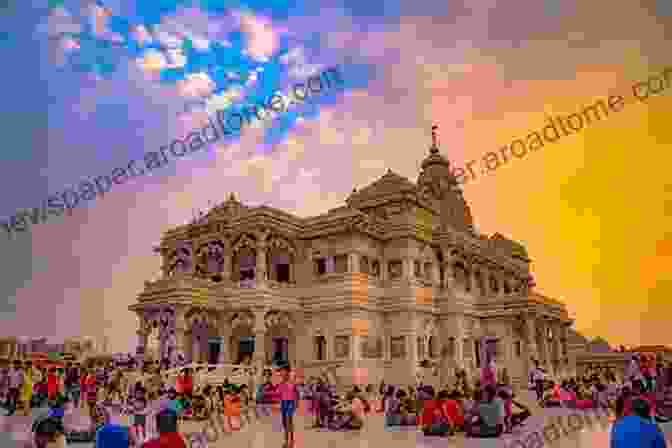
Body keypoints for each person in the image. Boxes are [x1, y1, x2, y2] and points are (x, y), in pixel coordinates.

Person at [275, 364, 298, 448]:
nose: (281, 373)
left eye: (282, 371)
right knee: (285, 423)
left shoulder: (292, 381)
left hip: (290, 402)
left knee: (289, 421)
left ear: (287, 372)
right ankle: (286, 440)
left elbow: (296, 392)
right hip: (283, 403)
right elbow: (278, 394)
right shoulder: (281, 383)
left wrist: (296, 403)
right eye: (280, 371)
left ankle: (291, 441)